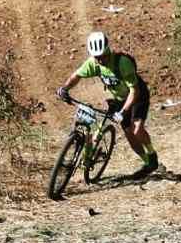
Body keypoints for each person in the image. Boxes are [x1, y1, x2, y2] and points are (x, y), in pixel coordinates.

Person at [56, 31, 159, 178]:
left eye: (103, 56)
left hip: (136, 96)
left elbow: (134, 91)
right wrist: (64, 89)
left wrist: (123, 112)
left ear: (108, 51)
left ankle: (151, 154)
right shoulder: (93, 63)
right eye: (97, 57)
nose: (100, 60)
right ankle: (148, 164)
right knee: (129, 134)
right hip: (118, 99)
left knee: (136, 129)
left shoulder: (122, 63)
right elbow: (76, 76)